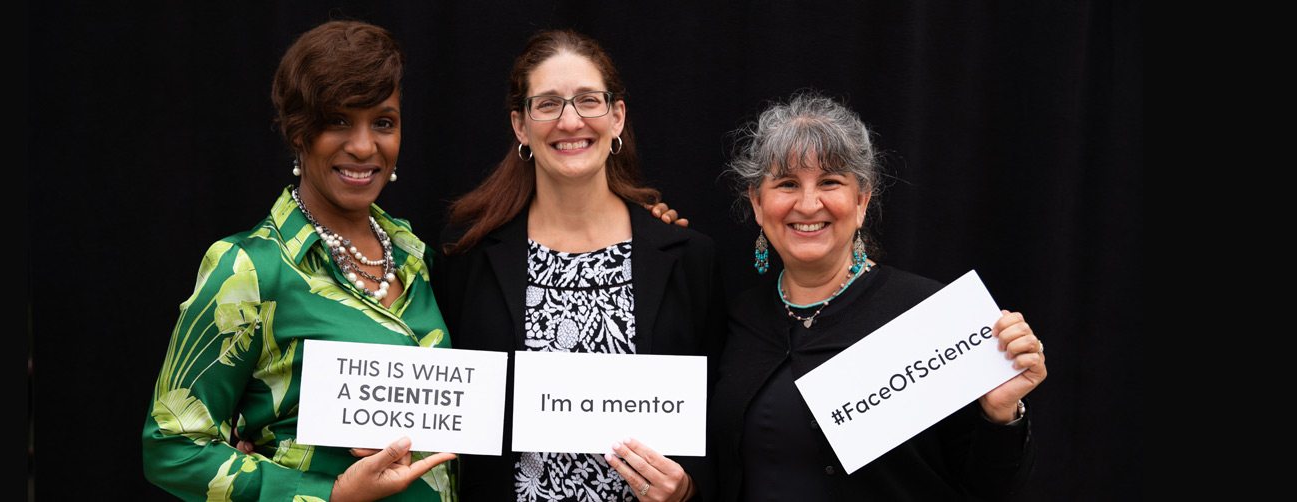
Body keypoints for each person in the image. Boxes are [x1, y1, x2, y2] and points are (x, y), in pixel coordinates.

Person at [142, 20, 457, 502]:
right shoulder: (249, 268)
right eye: (337, 121)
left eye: (383, 122)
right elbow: (172, 447)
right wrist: (327, 494)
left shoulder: (422, 261)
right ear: (298, 132)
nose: (364, 145)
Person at [710, 91, 1046, 501]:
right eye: (787, 184)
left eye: (830, 182)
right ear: (758, 204)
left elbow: (992, 489)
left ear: (862, 201)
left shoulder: (930, 314)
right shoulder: (735, 318)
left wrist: (1000, 415)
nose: (808, 203)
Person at [435, 29, 722, 502]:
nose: (570, 121)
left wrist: (690, 488)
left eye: (588, 100)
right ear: (521, 126)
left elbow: (721, 412)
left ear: (617, 117)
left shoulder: (687, 258)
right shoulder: (466, 258)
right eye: (547, 104)